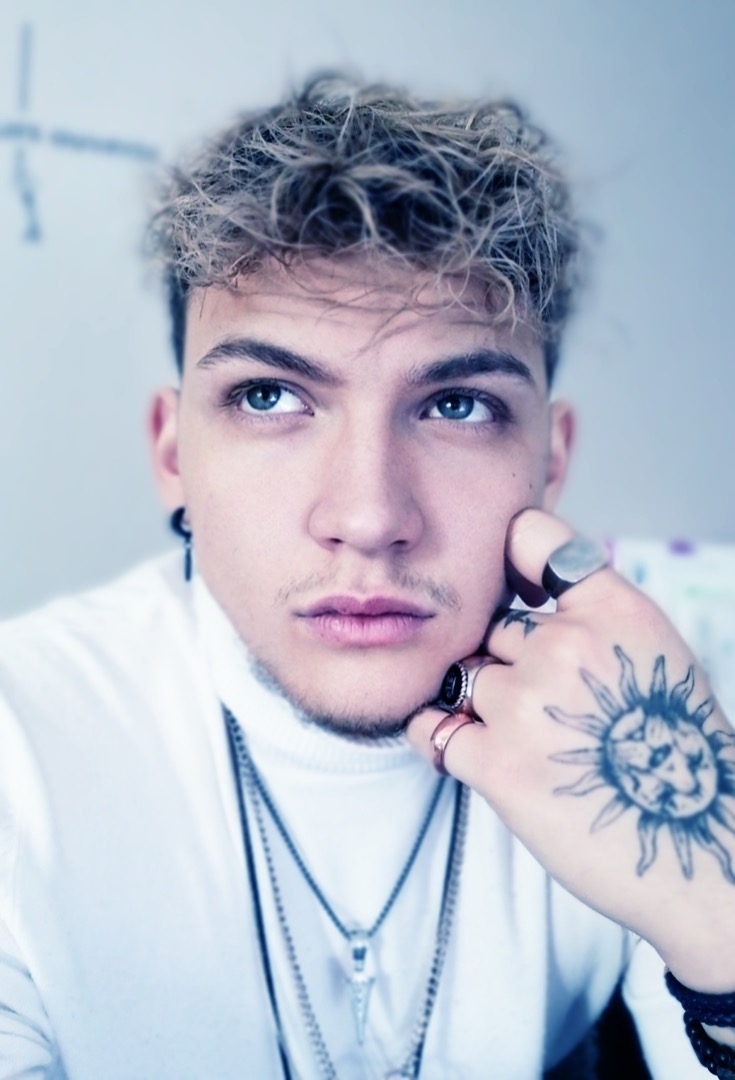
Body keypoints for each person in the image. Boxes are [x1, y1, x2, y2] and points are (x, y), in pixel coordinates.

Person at [1, 74, 734, 1080]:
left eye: (457, 406)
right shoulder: (20, 753)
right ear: (174, 454)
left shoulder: (655, 710)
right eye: (270, 397)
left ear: (550, 461)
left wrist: (714, 911)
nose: (369, 518)